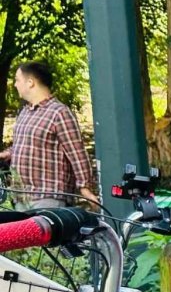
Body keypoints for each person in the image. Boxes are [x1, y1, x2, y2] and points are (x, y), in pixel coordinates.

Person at [5, 62, 100, 209]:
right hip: (21, 198)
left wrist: (85, 188)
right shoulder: (25, 112)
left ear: (30, 83)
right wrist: (6, 154)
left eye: (17, 80)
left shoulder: (59, 112)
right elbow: (22, 146)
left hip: (48, 198)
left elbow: (77, 154)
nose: (15, 84)